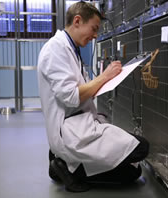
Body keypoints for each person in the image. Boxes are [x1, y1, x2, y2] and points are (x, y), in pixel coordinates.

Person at [37, 1, 149, 192]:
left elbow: (86, 88)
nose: (96, 35)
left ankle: (62, 164)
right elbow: (71, 97)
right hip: (71, 131)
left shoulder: (71, 49)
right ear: (78, 21)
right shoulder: (55, 49)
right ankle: (68, 169)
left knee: (134, 171)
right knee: (141, 149)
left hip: (80, 125)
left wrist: (112, 78)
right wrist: (105, 76)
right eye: (94, 28)